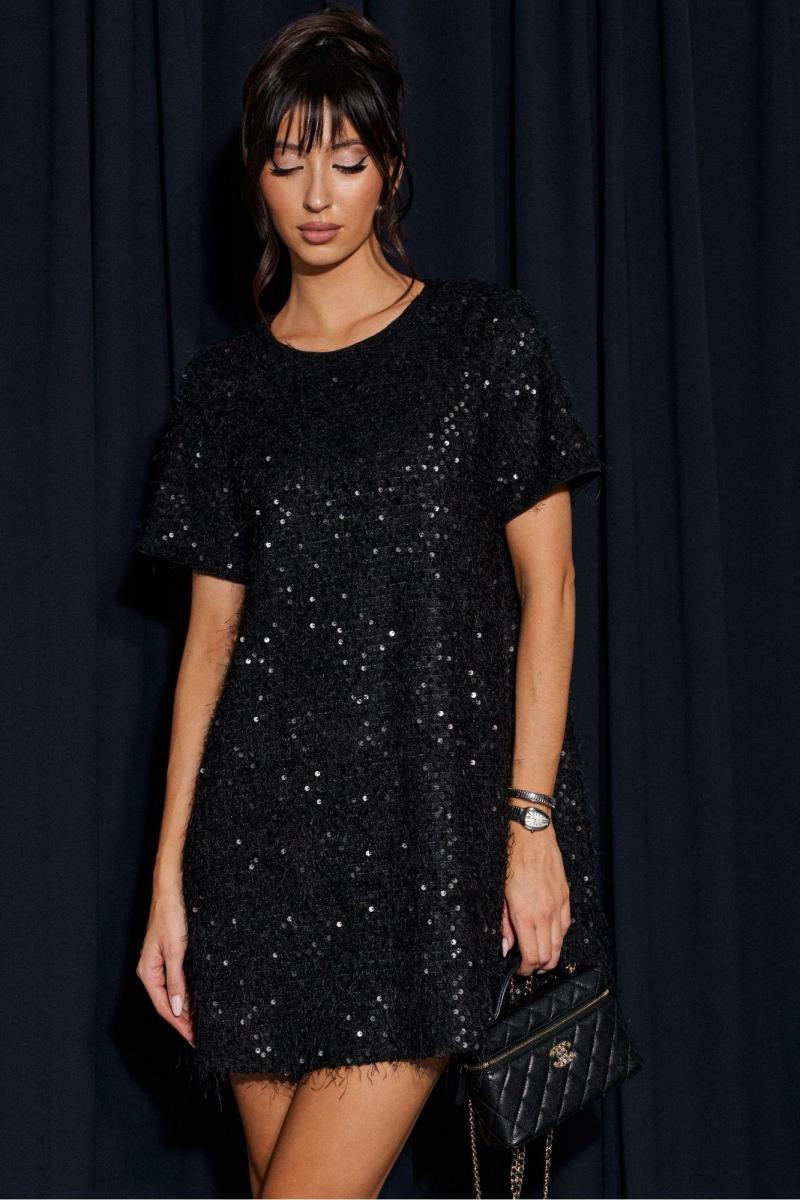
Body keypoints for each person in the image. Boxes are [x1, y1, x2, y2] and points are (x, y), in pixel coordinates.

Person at [134, 7, 613, 1198]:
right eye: (287, 160)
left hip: (431, 848)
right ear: (255, 176)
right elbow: (208, 646)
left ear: (389, 169)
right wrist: (167, 885)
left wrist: (529, 825)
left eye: (344, 159)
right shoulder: (224, 391)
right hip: (256, 862)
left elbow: (548, 590)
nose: (315, 194)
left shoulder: (482, 341)